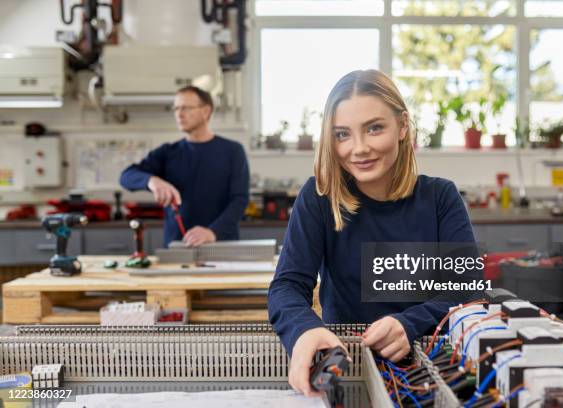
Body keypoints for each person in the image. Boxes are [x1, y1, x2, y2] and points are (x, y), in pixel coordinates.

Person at [267, 70, 479, 396]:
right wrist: (304, 330)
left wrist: (409, 324)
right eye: (342, 134)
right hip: (347, 369)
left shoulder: (441, 198)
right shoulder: (320, 197)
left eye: (374, 128)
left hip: (434, 370)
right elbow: (287, 286)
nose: (359, 148)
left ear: (403, 126)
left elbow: (465, 291)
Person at [120, 86, 249, 247]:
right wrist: (152, 181)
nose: (179, 114)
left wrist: (212, 232)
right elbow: (126, 176)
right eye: (176, 108)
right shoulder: (168, 152)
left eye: (186, 108)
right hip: (178, 246)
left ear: (206, 111)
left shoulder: (233, 151)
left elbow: (240, 200)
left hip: (221, 245)